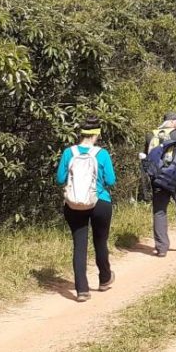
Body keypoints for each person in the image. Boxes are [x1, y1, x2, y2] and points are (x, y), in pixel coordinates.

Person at [56, 116, 116, 302]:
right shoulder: (102, 154)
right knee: (100, 241)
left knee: (79, 245)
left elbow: (59, 179)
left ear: (81, 133)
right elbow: (111, 181)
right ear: (97, 133)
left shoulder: (69, 152)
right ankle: (104, 278)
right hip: (100, 202)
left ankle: (82, 290)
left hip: (74, 204)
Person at [145, 112, 176, 256]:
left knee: (159, 211)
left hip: (158, 176)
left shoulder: (151, 135)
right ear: (172, 122)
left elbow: (147, 157)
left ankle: (161, 248)